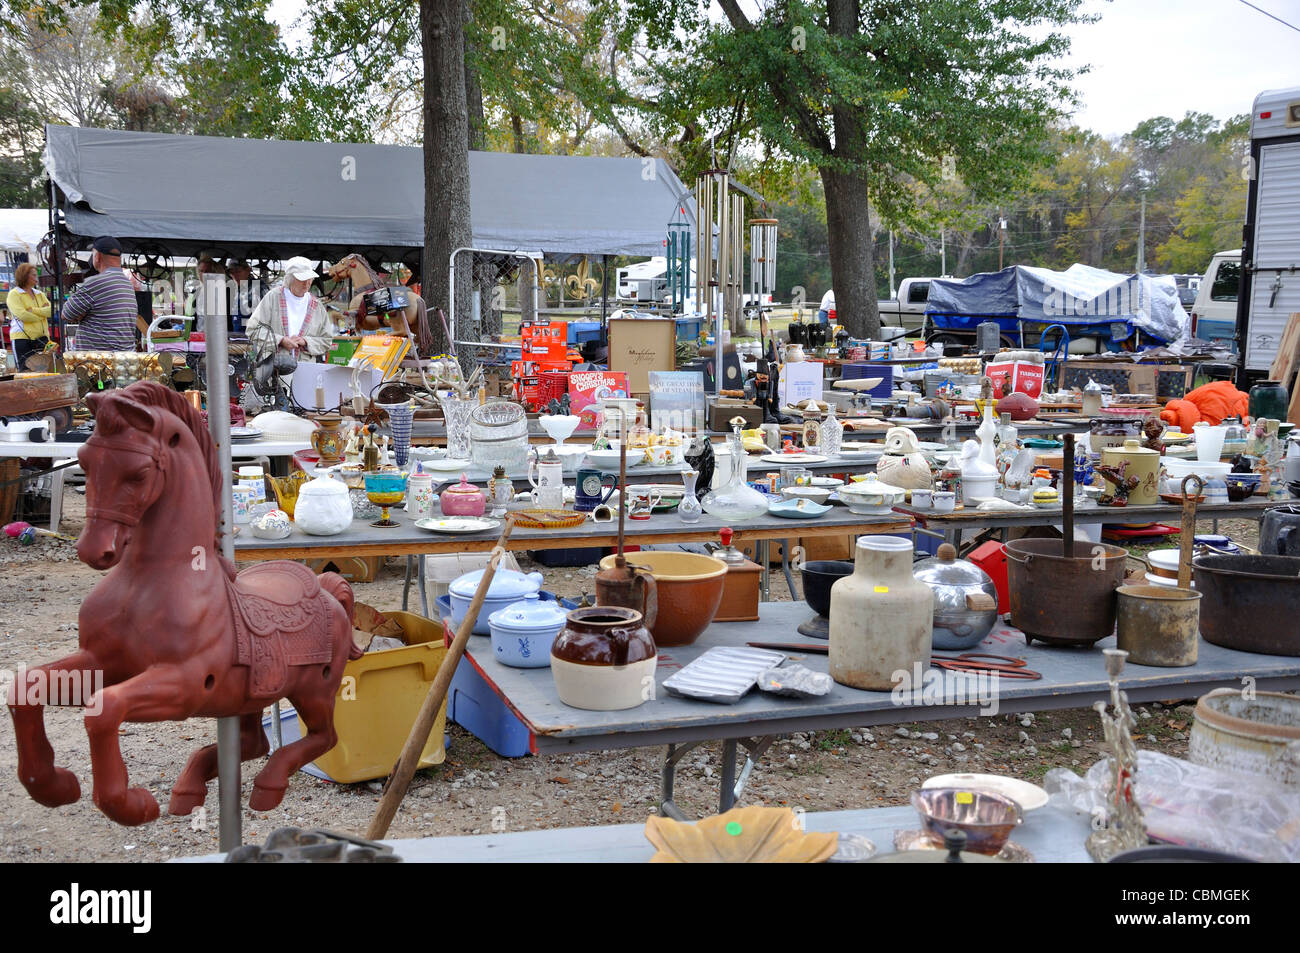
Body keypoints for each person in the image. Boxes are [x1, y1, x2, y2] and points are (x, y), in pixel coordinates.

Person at [245, 256, 332, 363]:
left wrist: (306, 341)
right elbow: (253, 329)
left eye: (309, 278)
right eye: (301, 279)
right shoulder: (273, 297)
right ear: (289, 279)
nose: (306, 283)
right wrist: (280, 340)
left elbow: (327, 340)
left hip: (305, 368)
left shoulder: (317, 306)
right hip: (274, 366)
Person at [61, 236, 139, 351]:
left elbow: (66, 314)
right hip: (122, 355)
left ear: (97, 256)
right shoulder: (126, 283)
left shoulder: (96, 283)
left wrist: (82, 314)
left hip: (99, 359)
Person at [7, 262, 52, 366]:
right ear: (24, 276)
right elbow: (23, 315)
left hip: (43, 339)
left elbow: (50, 311)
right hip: (22, 339)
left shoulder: (40, 294)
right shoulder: (14, 294)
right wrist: (42, 314)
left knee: (47, 368)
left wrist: (33, 310)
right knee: (24, 370)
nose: (37, 278)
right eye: (34, 275)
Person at [225, 259, 266, 335]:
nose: (235, 275)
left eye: (238, 271)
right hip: (238, 337)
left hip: (255, 337)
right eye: (232, 273)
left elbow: (268, 314)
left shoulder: (259, 287)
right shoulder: (236, 289)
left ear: (248, 270)